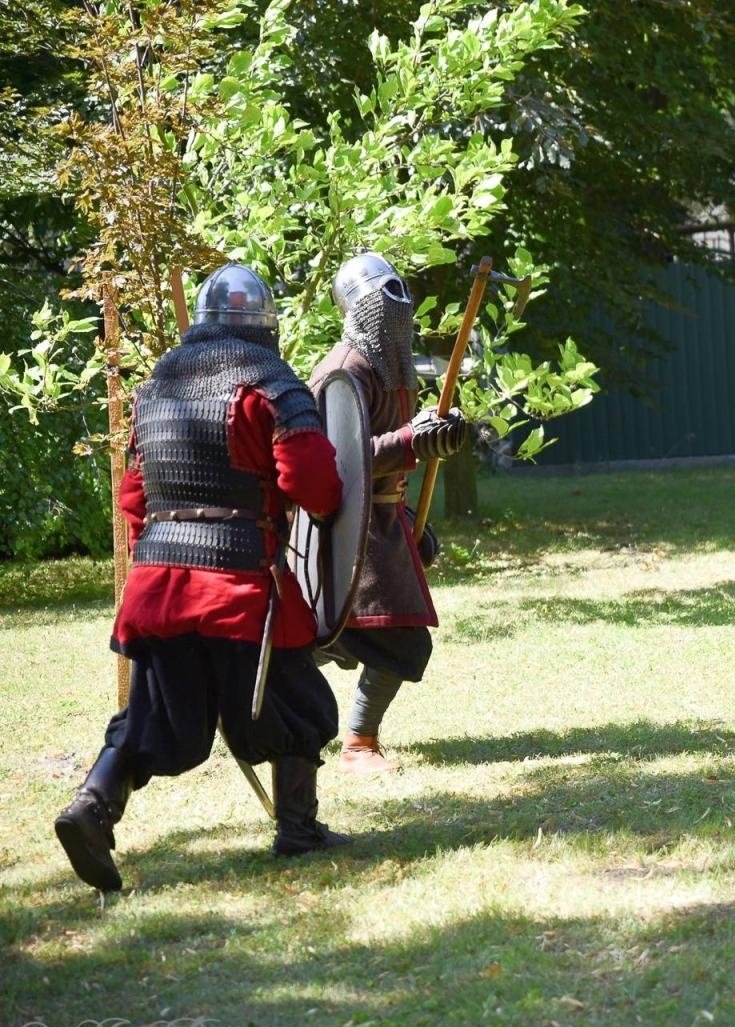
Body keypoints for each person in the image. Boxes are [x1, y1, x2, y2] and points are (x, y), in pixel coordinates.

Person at [53, 263, 350, 893]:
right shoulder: (272, 383)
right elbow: (313, 481)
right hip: (239, 588)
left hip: (159, 583)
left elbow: (134, 496)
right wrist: (326, 512)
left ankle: (92, 806)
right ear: (264, 325)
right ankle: (298, 830)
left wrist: (160, 552)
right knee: (295, 702)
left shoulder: (157, 386)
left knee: (157, 720)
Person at [310, 252, 468, 773]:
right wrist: (411, 440)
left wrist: (436, 435)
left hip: (384, 523)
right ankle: (358, 744)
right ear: (357, 307)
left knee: (358, 636)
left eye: (399, 294)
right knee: (399, 640)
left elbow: (404, 447)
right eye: (383, 298)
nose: (396, 307)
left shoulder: (392, 367)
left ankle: (270, 674)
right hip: (351, 531)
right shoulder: (342, 371)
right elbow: (336, 461)